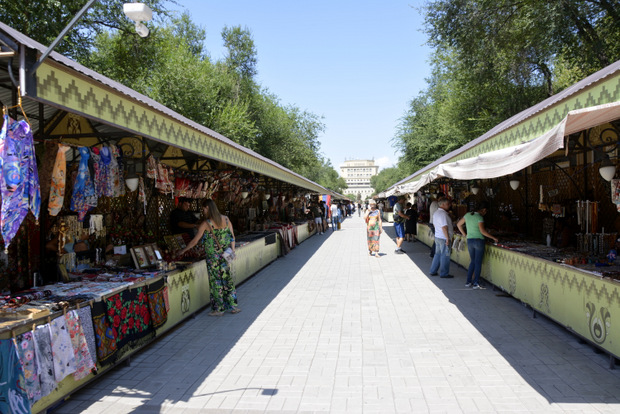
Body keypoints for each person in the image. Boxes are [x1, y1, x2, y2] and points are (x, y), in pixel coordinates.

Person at [177, 199, 240, 316]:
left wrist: (183, 250)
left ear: (208, 208)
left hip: (213, 258)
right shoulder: (226, 219)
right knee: (227, 280)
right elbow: (232, 237)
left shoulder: (206, 223)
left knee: (216, 282)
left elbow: (195, 241)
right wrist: (233, 252)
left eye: (204, 209)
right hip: (226, 256)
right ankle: (233, 306)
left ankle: (219, 309)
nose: (203, 211)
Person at [456, 201, 498, 289]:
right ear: (484, 210)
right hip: (479, 241)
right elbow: (483, 232)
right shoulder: (479, 217)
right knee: (478, 263)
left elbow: (458, 224)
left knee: (473, 261)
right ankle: (476, 283)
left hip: (470, 241)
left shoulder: (467, 215)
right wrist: (493, 238)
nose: (485, 213)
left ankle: (468, 282)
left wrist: (464, 234)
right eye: (486, 212)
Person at [429, 197, 454, 278]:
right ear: (443, 204)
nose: (449, 205)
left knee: (438, 254)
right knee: (445, 255)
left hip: (438, 237)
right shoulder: (443, 214)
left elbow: (435, 225)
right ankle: (444, 273)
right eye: (447, 204)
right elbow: (444, 227)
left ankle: (433, 271)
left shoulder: (436, 213)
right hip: (443, 238)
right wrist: (447, 238)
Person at [428, 192, 445, 258]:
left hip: (433, 223)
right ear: (439, 198)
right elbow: (437, 215)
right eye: (442, 198)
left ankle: (433, 253)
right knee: (437, 240)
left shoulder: (434, 203)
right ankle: (434, 254)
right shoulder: (435, 204)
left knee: (437, 239)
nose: (443, 199)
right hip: (434, 223)